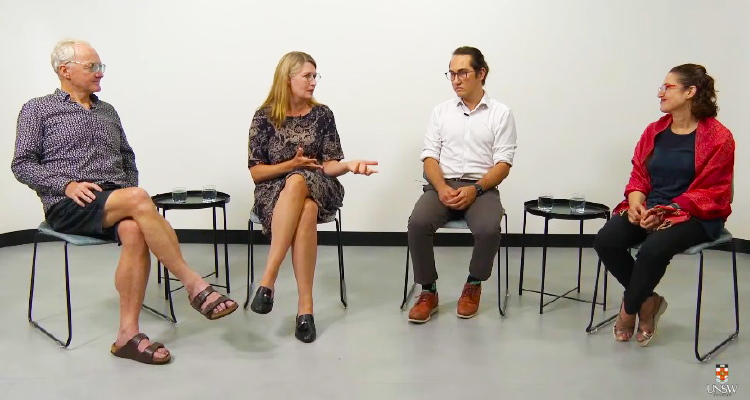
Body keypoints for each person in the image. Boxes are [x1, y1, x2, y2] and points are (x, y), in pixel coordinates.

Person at [11, 39, 238, 365]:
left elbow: (127, 159)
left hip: (114, 201)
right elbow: (22, 164)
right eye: (93, 67)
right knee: (137, 199)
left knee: (133, 229)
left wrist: (131, 198)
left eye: (101, 66)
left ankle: (127, 336)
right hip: (68, 205)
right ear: (66, 70)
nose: (100, 73)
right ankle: (195, 285)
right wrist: (66, 184)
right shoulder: (38, 109)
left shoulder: (107, 111)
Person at [593, 64, 734, 346]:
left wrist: (665, 213)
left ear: (690, 92)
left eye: (667, 87)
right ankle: (649, 302)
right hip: (652, 208)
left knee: (654, 248)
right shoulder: (654, 131)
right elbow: (639, 176)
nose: (660, 93)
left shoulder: (719, 138)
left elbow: (714, 192)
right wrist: (636, 203)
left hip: (696, 215)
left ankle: (628, 310)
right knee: (606, 239)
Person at [247, 51, 377, 343]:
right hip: (272, 193)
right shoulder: (264, 117)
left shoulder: (323, 115)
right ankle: (306, 309)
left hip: (320, 184)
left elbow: (329, 164)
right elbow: (256, 173)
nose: (313, 82)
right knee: (304, 207)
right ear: (287, 78)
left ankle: (268, 280)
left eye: (315, 75)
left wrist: (348, 166)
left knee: (299, 183)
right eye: (307, 76)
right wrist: (290, 166)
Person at [406, 46, 517, 323]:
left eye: (463, 73)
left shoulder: (501, 114)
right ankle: (428, 291)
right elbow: (429, 157)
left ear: (482, 73)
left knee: (489, 228)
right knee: (417, 222)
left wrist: (476, 189)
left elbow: (503, 164)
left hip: (482, 188)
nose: (456, 79)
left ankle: (473, 285)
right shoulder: (440, 112)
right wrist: (442, 187)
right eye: (452, 73)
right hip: (442, 185)